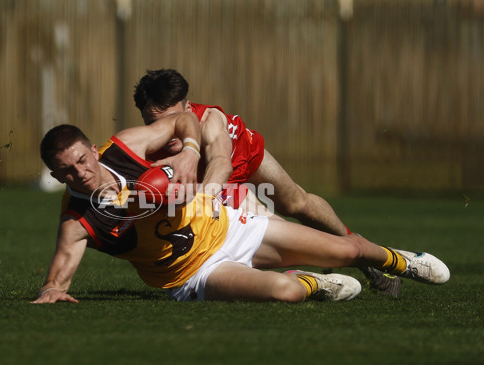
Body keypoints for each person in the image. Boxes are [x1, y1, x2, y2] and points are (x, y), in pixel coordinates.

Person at [31, 116, 449, 304]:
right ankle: (312, 285)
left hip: (231, 227)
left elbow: (181, 122)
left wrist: (189, 154)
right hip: (196, 276)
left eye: (82, 160)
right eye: (65, 171)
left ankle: (403, 262)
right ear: (55, 173)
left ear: (91, 148)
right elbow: (60, 273)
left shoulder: (123, 147)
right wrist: (52, 290)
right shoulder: (77, 219)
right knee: (286, 293)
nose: (79, 173)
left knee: (350, 250)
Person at [133, 68, 402, 296]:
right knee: (277, 232)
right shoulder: (142, 144)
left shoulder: (209, 120)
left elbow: (221, 163)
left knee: (298, 203)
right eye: (154, 122)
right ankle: (311, 270)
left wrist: (204, 200)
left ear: (188, 108)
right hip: (215, 183)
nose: (167, 131)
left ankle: (362, 254)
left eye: (173, 119)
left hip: (234, 155)